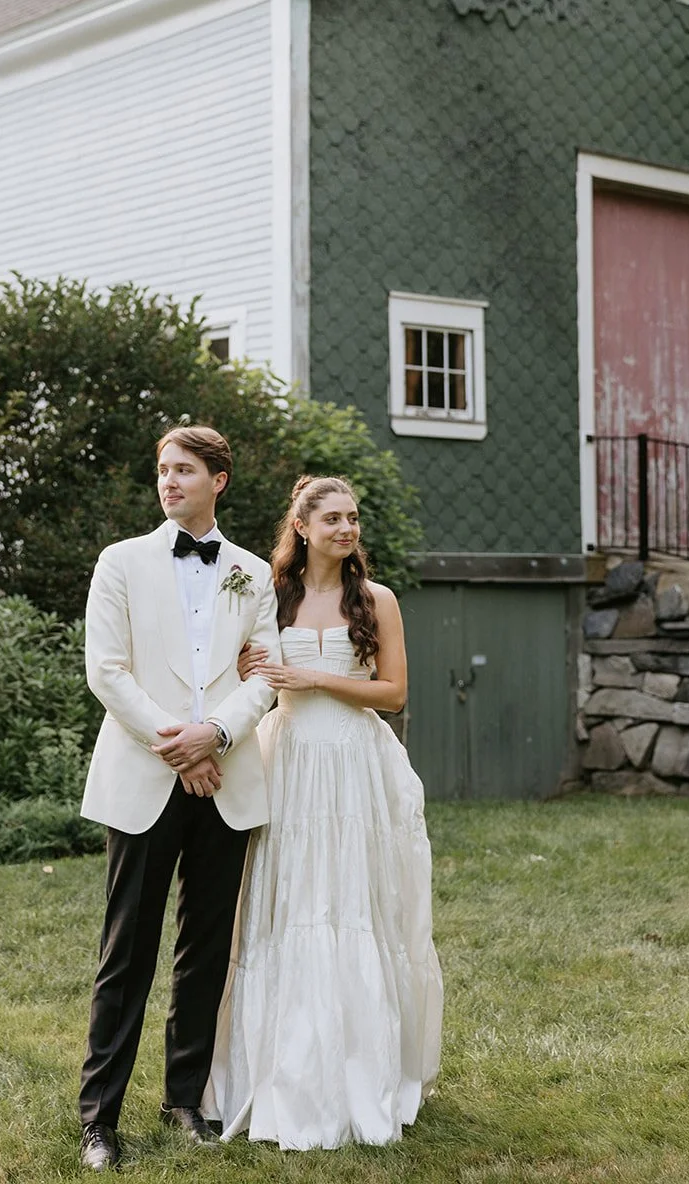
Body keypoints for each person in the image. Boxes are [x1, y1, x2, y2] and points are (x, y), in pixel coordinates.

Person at [205, 475, 443, 1150]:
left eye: (353, 518)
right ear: (302, 527)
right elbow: (239, 677)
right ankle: (275, 1072)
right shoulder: (265, 596)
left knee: (351, 906)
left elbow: (392, 693)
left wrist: (312, 678)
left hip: (353, 767)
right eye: (333, 518)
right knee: (283, 907)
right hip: (285, 763)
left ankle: (357, 1074)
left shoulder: (377, 600)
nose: (347, 528)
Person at [77, 425, 281, 1173]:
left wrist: (218, 734)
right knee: (125, 952)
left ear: (217, 480)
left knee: (205, 950)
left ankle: (184, 1099)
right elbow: (107, 670)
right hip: (145, 774)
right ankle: (99, 1120)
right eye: (163, 469)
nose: (169, 481)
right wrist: (179, 742)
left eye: (184, 470)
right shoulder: (120, 562)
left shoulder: (253, 573)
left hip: (225, 780)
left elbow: (265, 672)